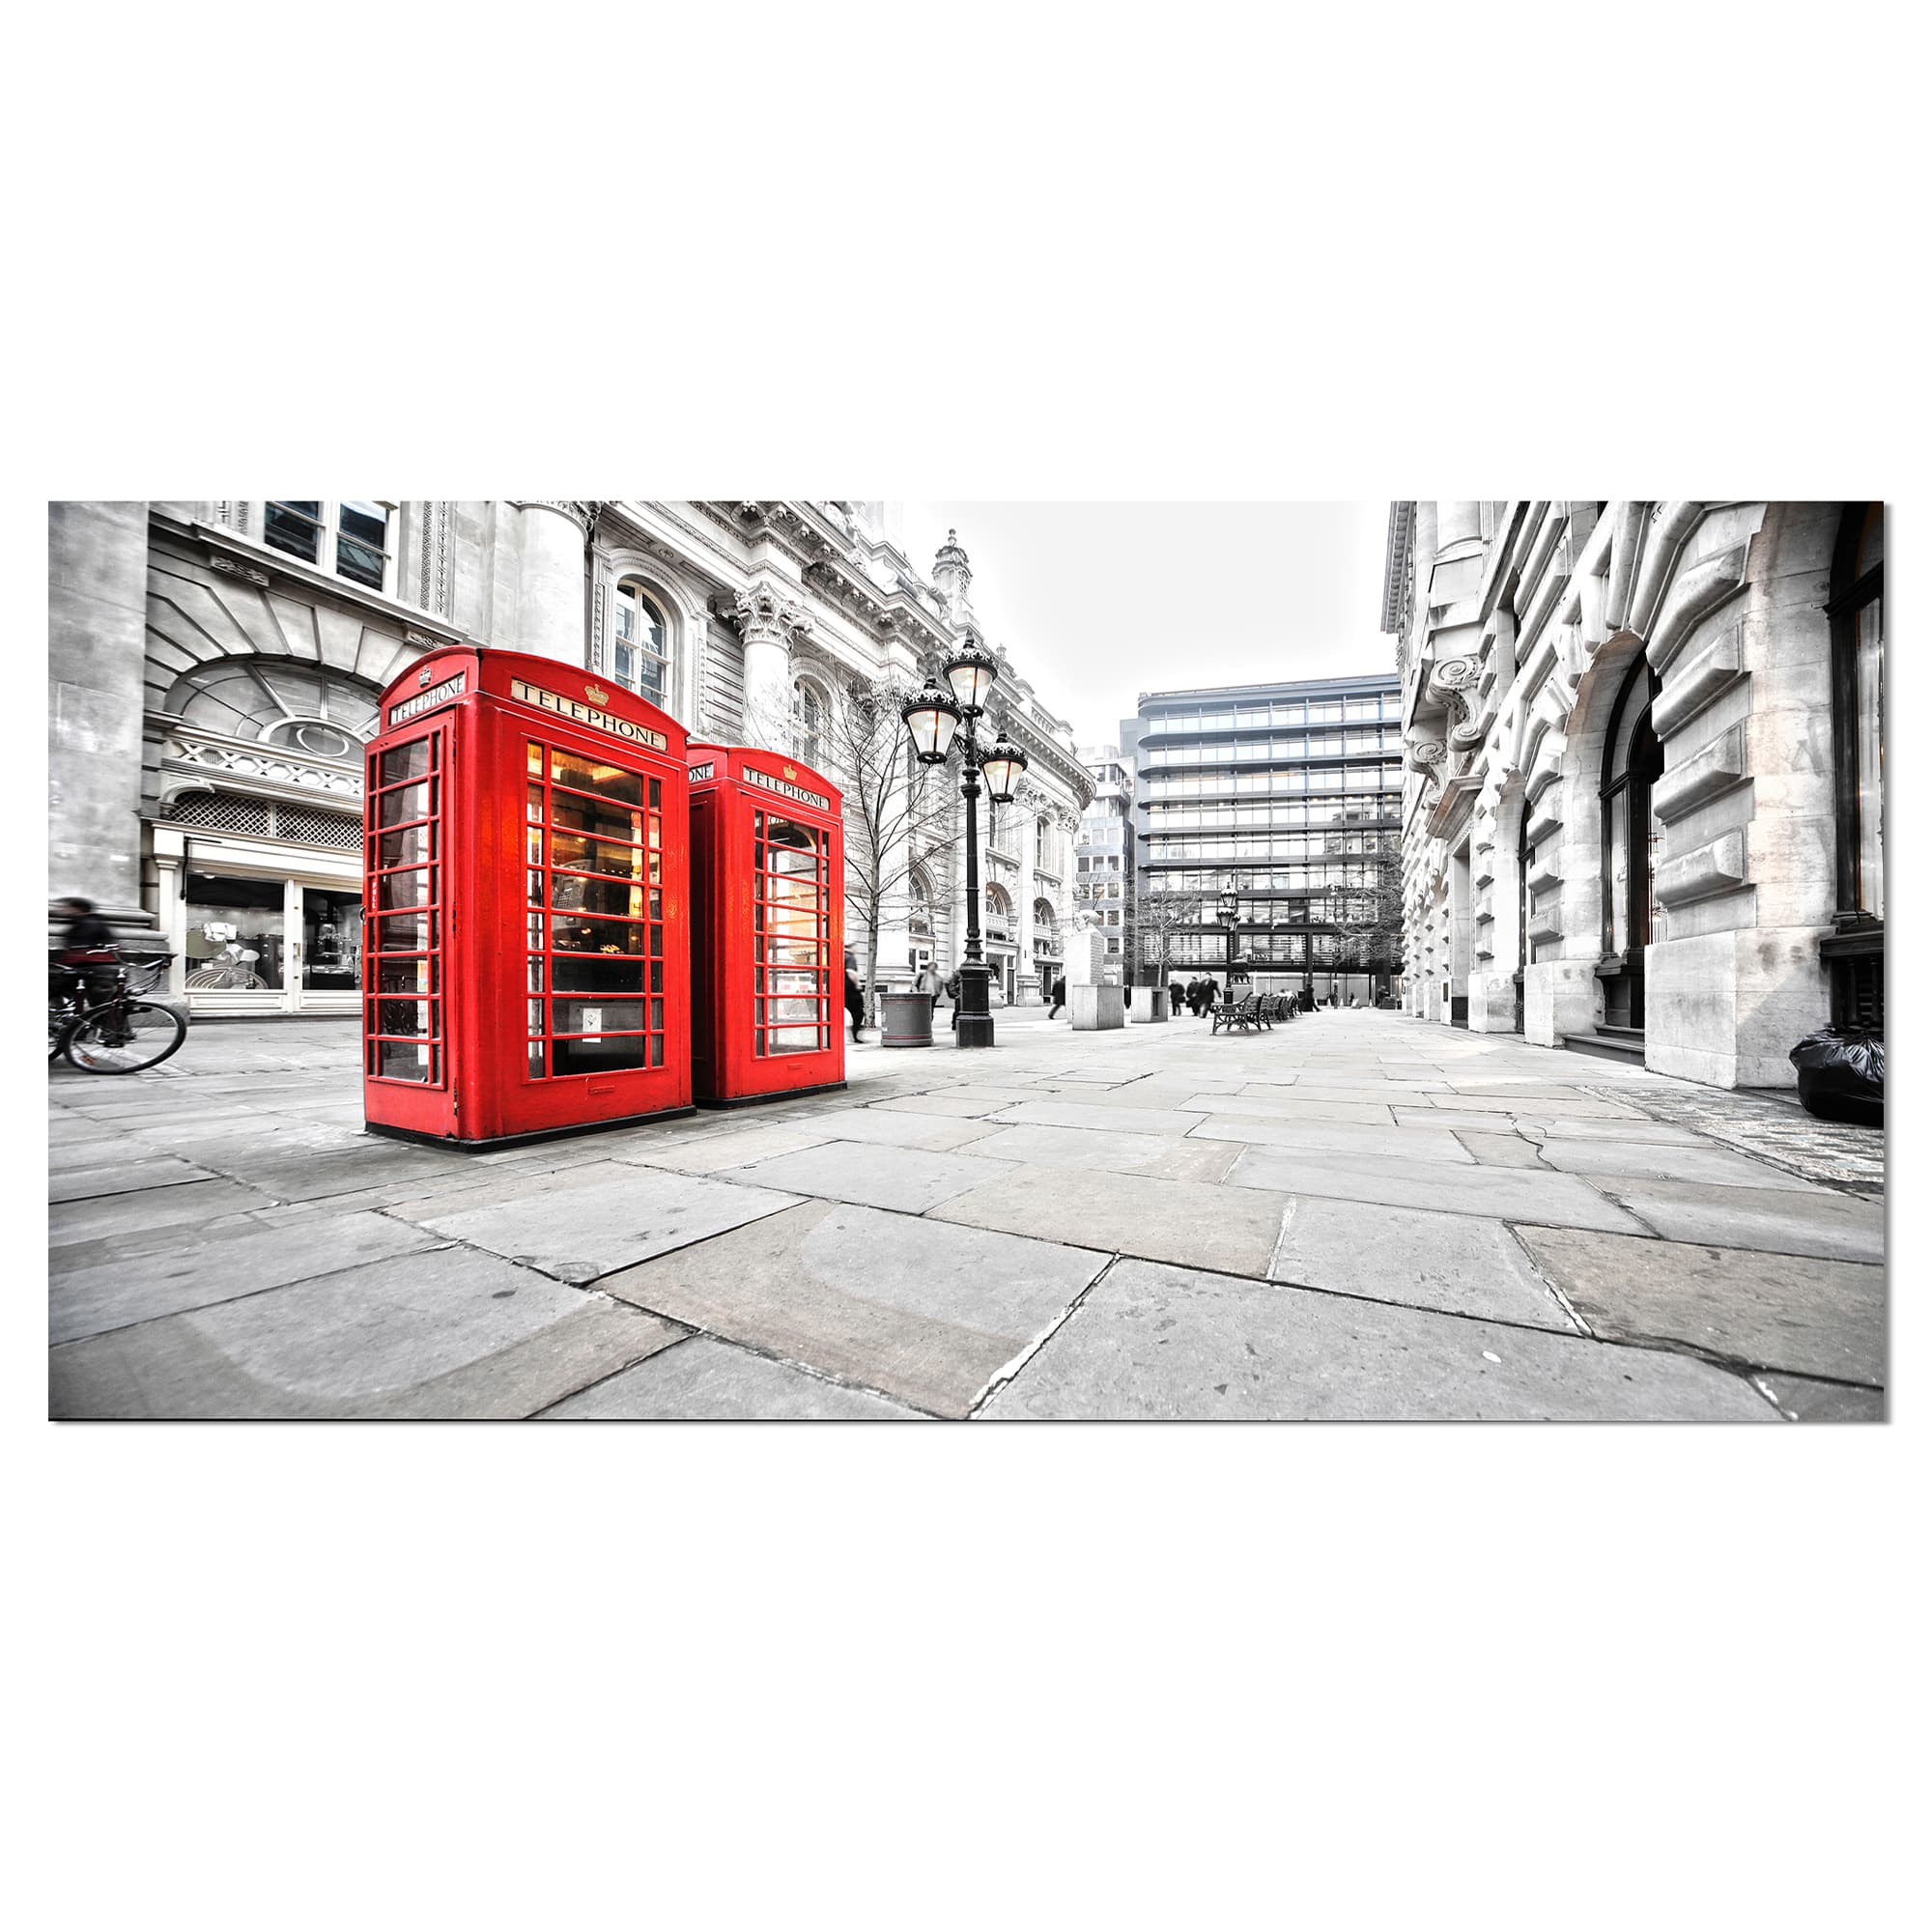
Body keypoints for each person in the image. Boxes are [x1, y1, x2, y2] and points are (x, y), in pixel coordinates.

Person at [843, 952, 865, 1042]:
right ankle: (855, 1035)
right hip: (850, 992)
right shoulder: (850, 958)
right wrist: (857, 984)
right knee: (859, 1013)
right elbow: (851, 972)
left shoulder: (842, 956)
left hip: (838, 990)